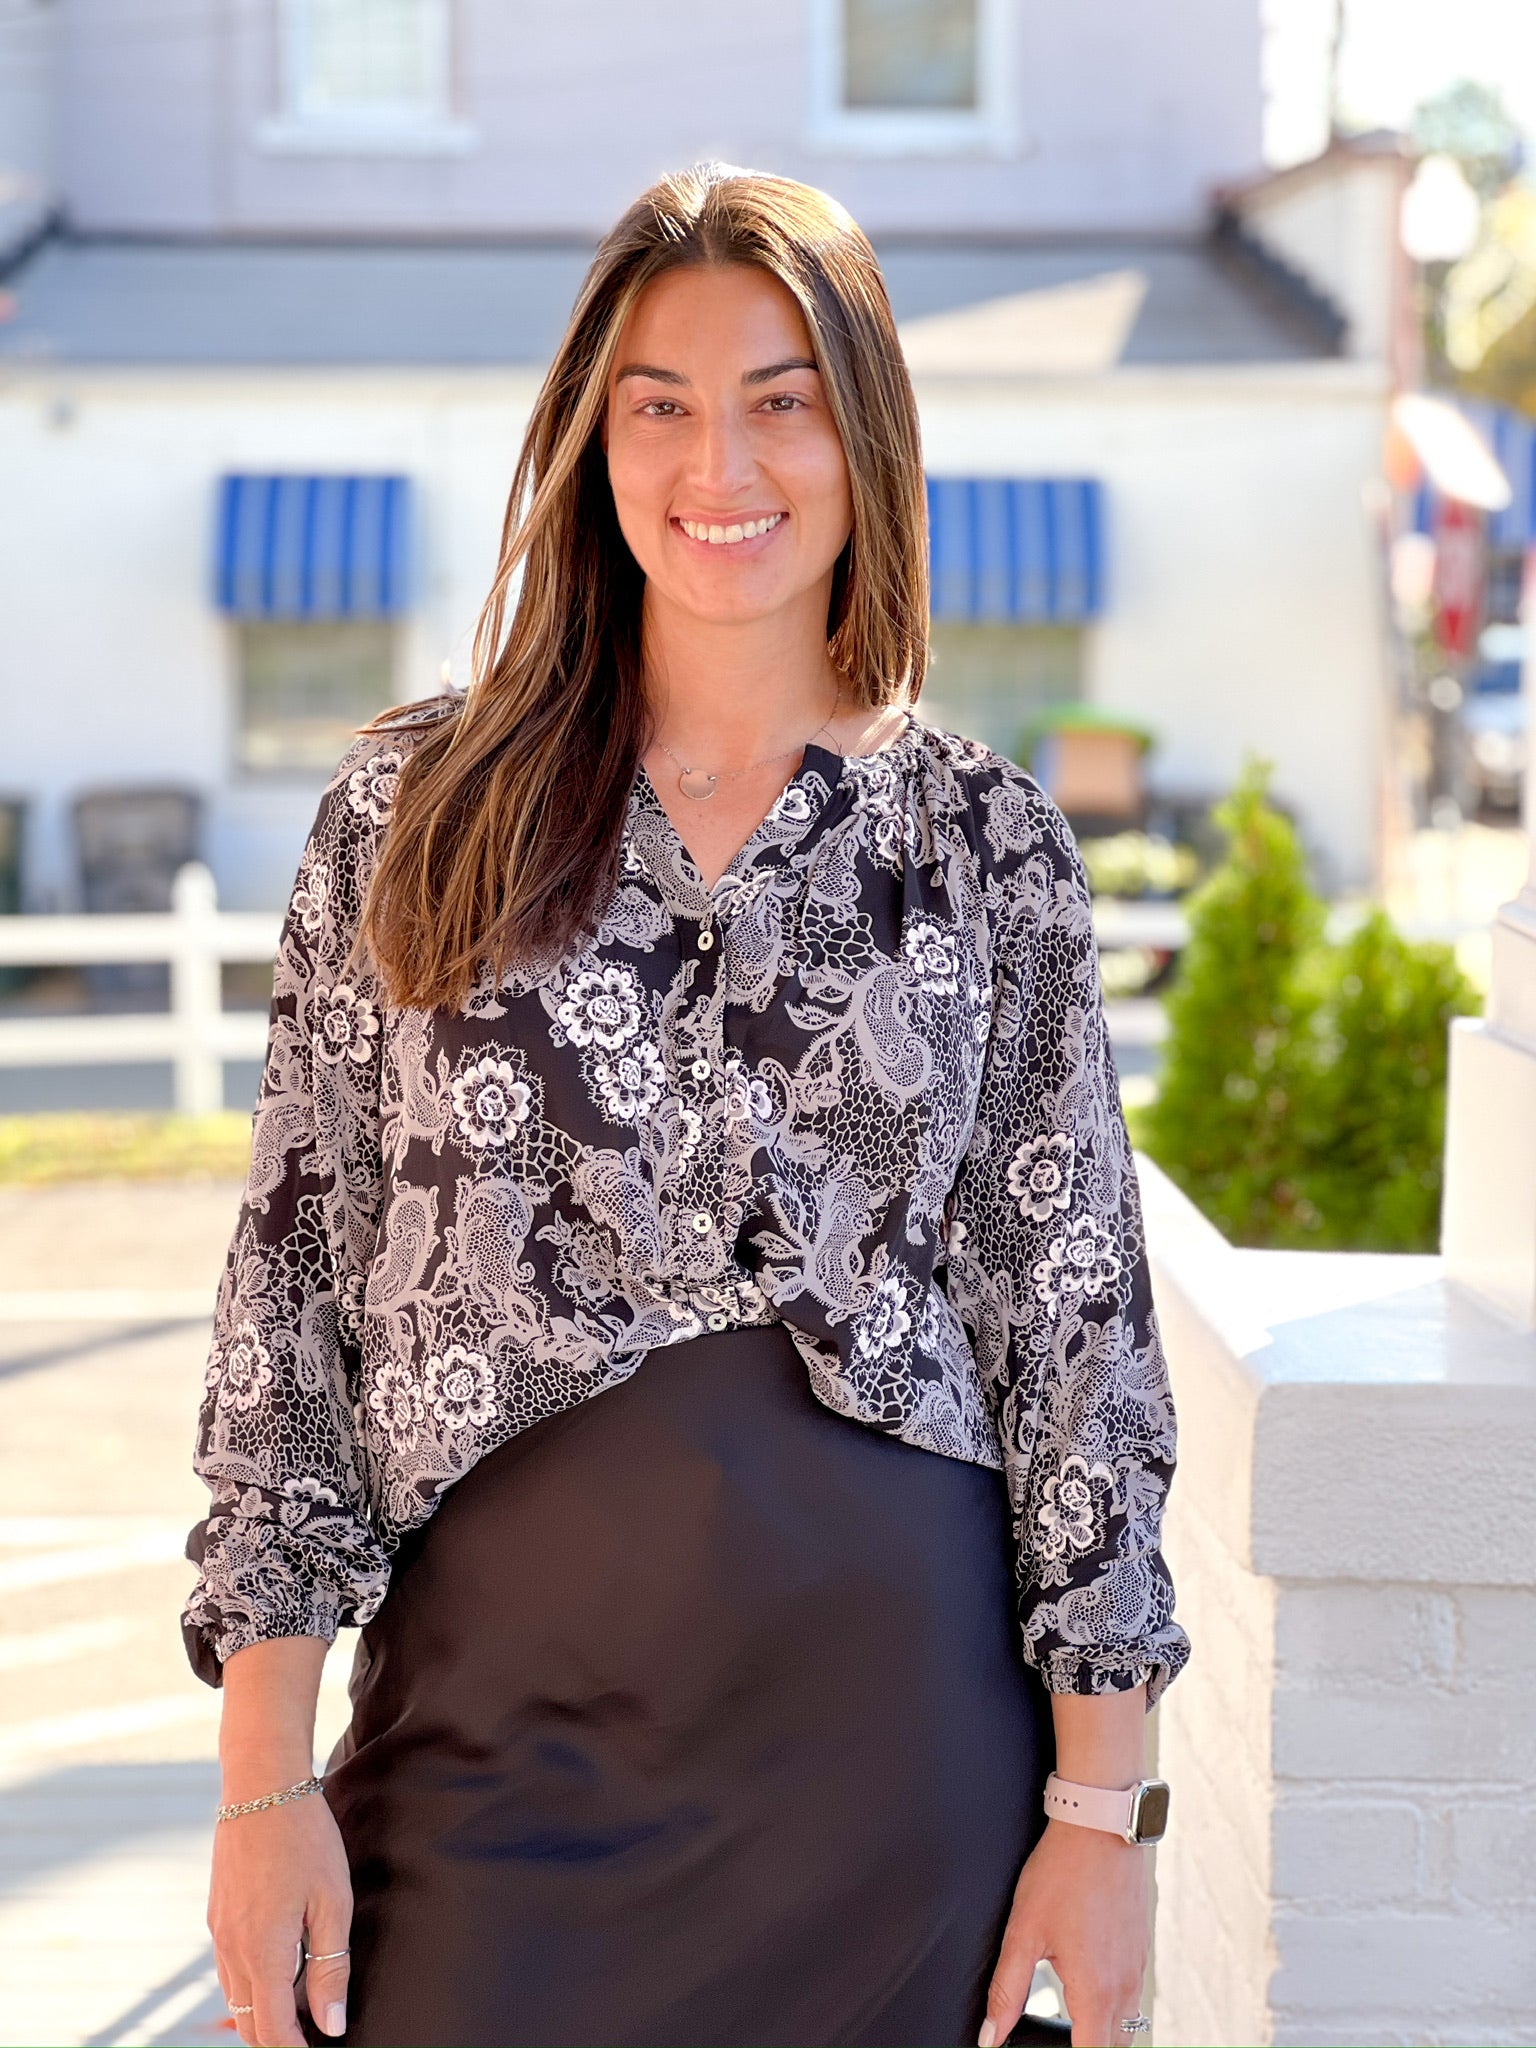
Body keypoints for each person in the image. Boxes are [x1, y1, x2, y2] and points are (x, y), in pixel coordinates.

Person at [183, 163, 1190, 2048]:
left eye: (778, 396)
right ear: (593, 437)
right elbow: (289, 1308)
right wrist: (262, 1784)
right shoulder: (414, 814)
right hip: (484, 1777)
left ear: (864, 430)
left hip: (905, 1797)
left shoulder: (982, 840)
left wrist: (1100, 1812)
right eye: (659, 402)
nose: (716, 461)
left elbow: (1077, 1342)